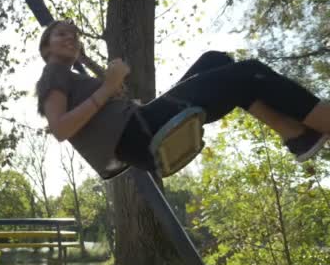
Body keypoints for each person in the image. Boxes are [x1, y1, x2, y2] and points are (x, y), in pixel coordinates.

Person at [35, 20, 330, 178]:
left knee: (216, 60)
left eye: (74, 34)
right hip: (139, 134)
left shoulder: (72, 77)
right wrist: (108, 87)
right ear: (46, 46)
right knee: (248, 73)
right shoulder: (54, 73)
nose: (71, 37)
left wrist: (113, 94)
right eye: (61, 34)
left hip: (139, 125)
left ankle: (296, 135)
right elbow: (60, 129)